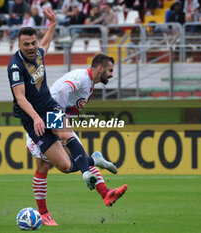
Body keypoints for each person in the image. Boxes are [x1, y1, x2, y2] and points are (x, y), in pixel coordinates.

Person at [6, 8, 119, 213]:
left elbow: (46, 43)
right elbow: (20, 97)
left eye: (33, 43)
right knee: (65, 166)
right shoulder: (15, 67)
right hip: (32, 118)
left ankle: (89, 179)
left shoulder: (38, 53)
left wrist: (53, 24)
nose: (32, 48)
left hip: (49, 106)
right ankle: (94, 161)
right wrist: (35, 118)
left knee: (66, 133)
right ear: (19, 45)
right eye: (27, 45)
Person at [28, 54, 128, 225]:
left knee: (78, 157)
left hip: (56, 121)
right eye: (110, 70)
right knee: (43, 166)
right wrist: (57, 117)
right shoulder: (81, 77)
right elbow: (61, 91)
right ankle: (43, 213)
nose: (112, 74)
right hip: (42, 119)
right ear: (100, 69)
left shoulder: (89, 84)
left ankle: (106, 193)